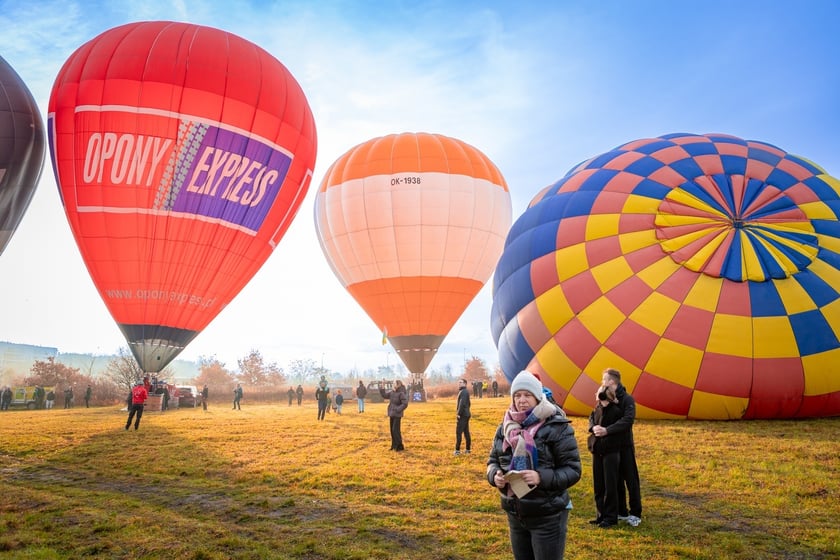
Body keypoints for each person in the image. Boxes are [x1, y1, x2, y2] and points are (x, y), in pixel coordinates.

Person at [487, 370, 581, 560]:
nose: (522, 400)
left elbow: (573, 470)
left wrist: (540, 477)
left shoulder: (557, 427)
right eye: (517, 395)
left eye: (527, 395)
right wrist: (494, 474)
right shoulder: (505, 427)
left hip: (547, 516)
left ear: (538, 397)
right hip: (516, 513)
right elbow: (493, 461)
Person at [597, 368, 642, 527]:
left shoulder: (627, 400)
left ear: (611, 381)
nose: (602, 382)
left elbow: (627, 420)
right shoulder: (605, 397)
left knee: (631, 479)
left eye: (604, 379)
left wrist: (607, 430)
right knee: (615, 480)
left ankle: (636, 512)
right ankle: (621, 511)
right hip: (611, 447)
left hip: (625, 446)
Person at [587, 385, 622, 528]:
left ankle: (611, 517)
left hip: (611, 452)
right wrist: (593, 427)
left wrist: (605, 431)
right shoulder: (596, 409)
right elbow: (591, 420)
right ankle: (600, 515)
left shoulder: (616, 412)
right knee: (599, 484)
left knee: (610, 485)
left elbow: (619, 429)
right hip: (597, 451)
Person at [381, 379, 408, 451]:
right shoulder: (392, 392)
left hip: (397, 414)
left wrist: (398, 409)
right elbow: (384, 395)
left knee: (396, 430)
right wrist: (383, 386)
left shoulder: (401, 393)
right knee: (392, 430)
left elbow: (405, 404)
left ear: (398, 385)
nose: (393, 385)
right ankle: (394, 446)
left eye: (394, 383)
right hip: (392, 413)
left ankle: (399, 446)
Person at [454, 378, 471, 455]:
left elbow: (462, 404)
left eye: (461, 382)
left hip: (463, 415)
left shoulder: (463, 392)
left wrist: (458, 414)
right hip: (466, 414)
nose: (459, 384)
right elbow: (469, 404)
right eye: (459, 382)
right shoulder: (465, 392)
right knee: (466, 432)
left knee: (458, 432)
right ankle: (468, 449)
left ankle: (457, 451)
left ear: (465, 384)